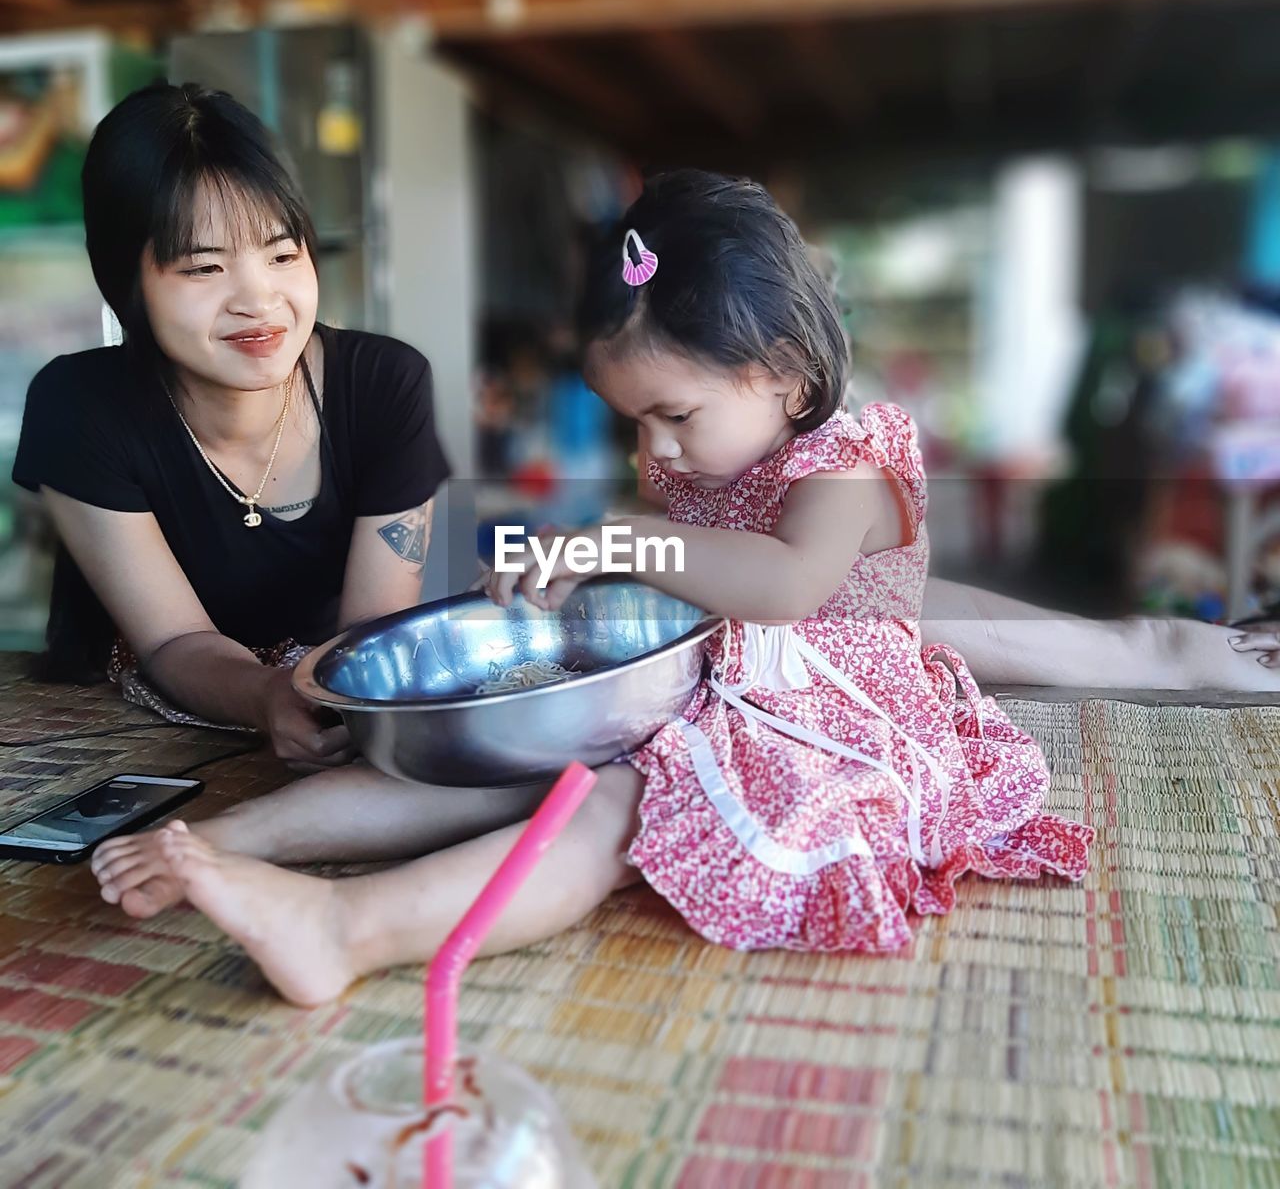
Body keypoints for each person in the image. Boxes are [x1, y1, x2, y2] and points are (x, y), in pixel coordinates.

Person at [88, 171, 1096, 1003]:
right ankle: (214, 838)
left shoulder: (844, 463)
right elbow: (676, 577)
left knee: (606, 807)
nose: (654, 448)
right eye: (634, 423)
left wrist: (618, 538)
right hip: (709, 697)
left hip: (824, 732)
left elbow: (783, 584)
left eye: (672, 415)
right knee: (491, 759)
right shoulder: (711, 448)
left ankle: (347, 927)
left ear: (784, 373)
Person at [13, 82, 453, 766]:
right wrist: (265, 696)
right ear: (126, 283)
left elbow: (374, 632)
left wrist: (319, 699)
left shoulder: (384, 386)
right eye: (204, 267)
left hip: (334, 698)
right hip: (145, 719)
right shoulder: (79, 409)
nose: (259, 301)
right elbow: (172, 642)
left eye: (282, 256)